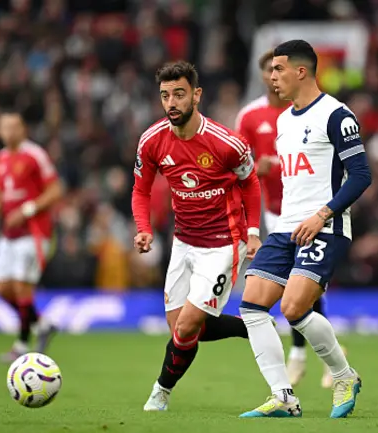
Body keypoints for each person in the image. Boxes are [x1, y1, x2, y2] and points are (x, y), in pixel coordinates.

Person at [238, 40, 371, 419]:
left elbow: (362, 175)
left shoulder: (336, 115)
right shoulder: (283, 121)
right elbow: (300, 172)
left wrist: (323, 214)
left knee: (294, 308)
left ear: (301, 71)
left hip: (324, 226)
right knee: (252, 306)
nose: (271, 77)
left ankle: (344, 376)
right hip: (285, 226)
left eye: (278, 69)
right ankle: (283, 396)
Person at [132, 61, 263, 411]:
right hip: (183, 241)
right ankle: (251, 325)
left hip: (223, 242)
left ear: (196, 95)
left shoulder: (226, 143)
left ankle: (160, 392)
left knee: (188, 326)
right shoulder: (152, 140)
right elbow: (141, 190)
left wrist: (252, 232)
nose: (171, 102)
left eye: (178, 94)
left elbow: (250, 182)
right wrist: (144, 229)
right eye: (165, 96)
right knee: (185, 329)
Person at [235, 48, 334, 388]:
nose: (272, 77)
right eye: (269, 71)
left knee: (302, 292)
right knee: (267, 296)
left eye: (278, 69)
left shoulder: (318, 114)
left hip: (310, 212)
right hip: (271, 210)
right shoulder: (251, 117)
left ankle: (307, 358)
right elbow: (237, 167)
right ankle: (309, 362)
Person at [0, 111, 63, 362]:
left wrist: (27, 210)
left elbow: (55, 189)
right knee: (2, 288)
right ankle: (43, 324)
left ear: (23, 129)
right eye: (4, 127)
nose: (9, 132)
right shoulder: (2, 158)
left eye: (14, 127)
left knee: (21, 286)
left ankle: (22, 344)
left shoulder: (35, 155)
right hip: (8, 234)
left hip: (34, 232)